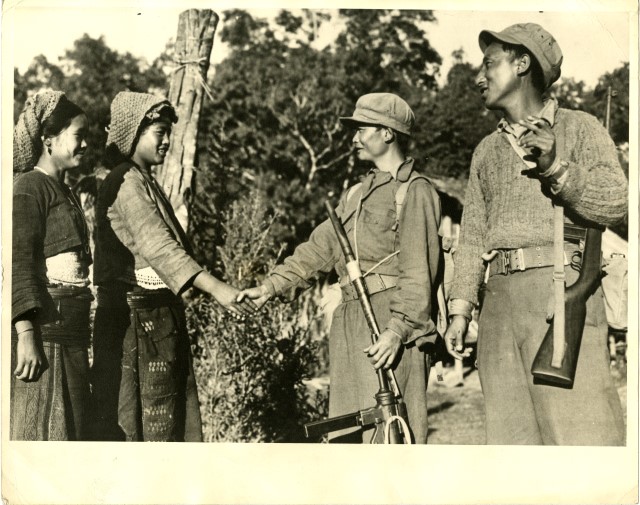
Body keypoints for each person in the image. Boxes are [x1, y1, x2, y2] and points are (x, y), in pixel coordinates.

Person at [444, 23, 627, 445]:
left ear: (522, 63)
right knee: (512, 448)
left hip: (559, 299)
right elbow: (472, 237)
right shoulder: (486, 151)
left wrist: (556, 166)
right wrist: (460, 310)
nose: (478, 77)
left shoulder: (579, 128)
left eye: (489, 64)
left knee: (580, 441)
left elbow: (616, 203)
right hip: (497, 307)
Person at [238, 93, 443, 443]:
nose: (354, 139)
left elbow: (418, 271)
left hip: (390, 323)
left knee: (393, 435)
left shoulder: (415, 191)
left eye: (361, 129)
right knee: (348, 434)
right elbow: (318, 250)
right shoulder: (354, 195)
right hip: (350, 319)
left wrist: (397, 331)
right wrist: (269, 287)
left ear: (387, 133)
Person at [90, 91, 255, 442]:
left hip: (152, 321)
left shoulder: (142, 179)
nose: (166, 141)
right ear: (133, 133)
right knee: (138, 432)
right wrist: (218, 289)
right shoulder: (125, 182)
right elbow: (160, 249)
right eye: (159, 132)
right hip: (135, 324)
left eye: (168, 133)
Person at [11, 90, 92, 440]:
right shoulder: (29, 187)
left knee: (73, 431)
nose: (85, 145)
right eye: (78, 136)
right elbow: (18, 262)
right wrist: (26, 335)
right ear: (48, 139)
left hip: (70, 332)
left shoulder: (66, 191)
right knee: (43, 432)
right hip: (45, 335)